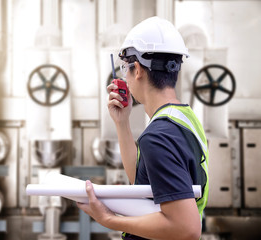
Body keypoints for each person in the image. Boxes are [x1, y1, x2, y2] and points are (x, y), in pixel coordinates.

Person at [77, 16, 209, 240]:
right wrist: (122, 122)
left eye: (124, 69)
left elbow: (187, 228)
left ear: (137, 69)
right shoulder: (184, 118)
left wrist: (108, 218)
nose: (124, 78)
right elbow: (142, 183)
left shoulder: (158, 136)